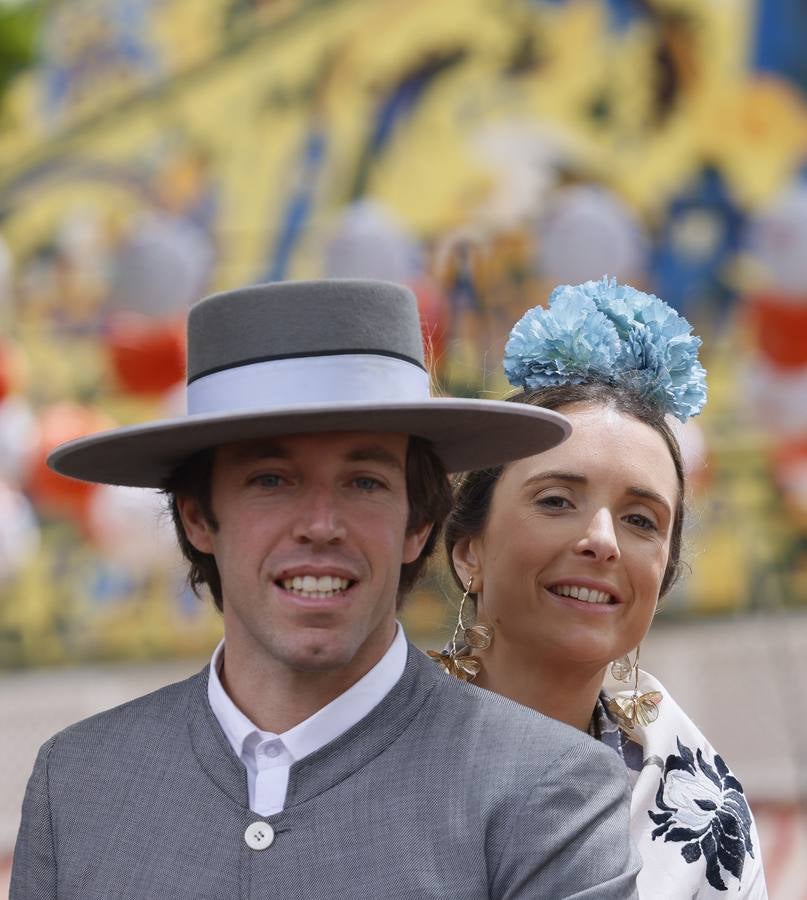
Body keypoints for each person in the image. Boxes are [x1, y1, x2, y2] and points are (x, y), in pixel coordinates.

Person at [11, 279, 641, 899]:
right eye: (271, 480)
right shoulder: (76, 784)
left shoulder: (548, 789)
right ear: (198, 516)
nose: (320, 525)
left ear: (418, 524)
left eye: (364, 482)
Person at [436, 277, 768, 898]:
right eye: (556, 500)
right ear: (468, 550)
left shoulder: (704, 809)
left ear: (662, 578)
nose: (602, 541)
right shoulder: (358, 748)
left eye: (641, 520)